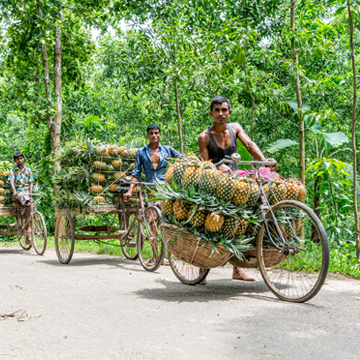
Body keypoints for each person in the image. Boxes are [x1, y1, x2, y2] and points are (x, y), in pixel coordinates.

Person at [198, 95, 278, 283]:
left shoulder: (235, 128)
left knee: (244, 217)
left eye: (224, 110)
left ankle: (237, 268)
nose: (221, 114)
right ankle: (202, 265)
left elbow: (249, 145)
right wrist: (217, 167)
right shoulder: (205, 137)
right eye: (217, 110)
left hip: (237, 179)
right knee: (211, 218)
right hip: (215, 180)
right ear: (211, 114)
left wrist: (263, 160)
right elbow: (204, 162)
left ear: (229, 112)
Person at [123, 124, 183, 265]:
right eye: (151, 133)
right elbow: (136, 172)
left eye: (156, 133)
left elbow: (183, 159)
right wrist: (130, 190)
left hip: (166, 191)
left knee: (167, 223)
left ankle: (168, 256)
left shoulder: (168, 150)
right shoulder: (142, 152)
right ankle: (156, 256)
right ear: (147, 136)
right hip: (150, 191)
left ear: (160, 135)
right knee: (153, 223)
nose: (154, 135)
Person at [9, 152, 34, 245]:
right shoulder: (13, 171)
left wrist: (30, 193)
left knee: (29, 204)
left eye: (21, 158)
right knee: (26, 201)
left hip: (27, 192)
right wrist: (14, 191)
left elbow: (31, 182)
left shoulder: (28, 170)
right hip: (19, 192)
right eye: (18, 159)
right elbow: (11, 181)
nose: (20, 160)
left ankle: (28, 234)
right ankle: (28, 232)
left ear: (23, 159)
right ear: (15, 160)